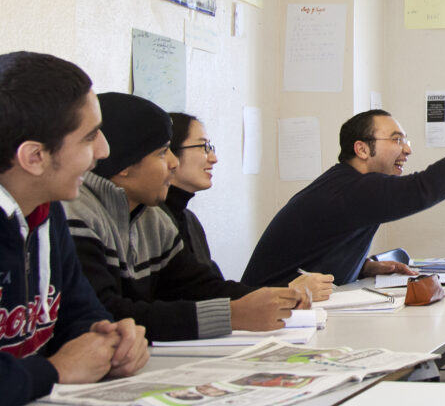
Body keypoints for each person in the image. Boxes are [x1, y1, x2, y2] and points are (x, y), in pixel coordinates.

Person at [242, 54, 445, 287]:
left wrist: (363, 267)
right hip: (265, 322)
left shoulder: (347, 186)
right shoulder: (352, 189)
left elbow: (315, 254)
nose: (407, 150)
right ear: (361, 149)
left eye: (406, 140)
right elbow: (425, 187)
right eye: (396, 140)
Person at [64, 92, 308, 343]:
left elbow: (198, 287)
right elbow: (105, 315)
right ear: (123, 165)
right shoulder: (77, 215)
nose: (173, 163)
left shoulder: (153, 219)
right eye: (162, 153)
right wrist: (232, 315)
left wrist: (277, 298)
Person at [0, 51, 149, 406]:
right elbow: (59, 367)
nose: (104, 151)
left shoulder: (44, 210)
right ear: (34, 157)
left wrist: (110, 339)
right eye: (89, 137)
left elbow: (79, 313)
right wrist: (55, 371)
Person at [164, 112, 333, 300]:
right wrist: (288, 292)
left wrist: (286, 293)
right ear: (167, 153)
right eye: (204, 147)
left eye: (210, 147)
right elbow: (198, 296)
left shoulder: (188, 219)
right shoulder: (155, 221)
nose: (213, 158)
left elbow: (210, 289)